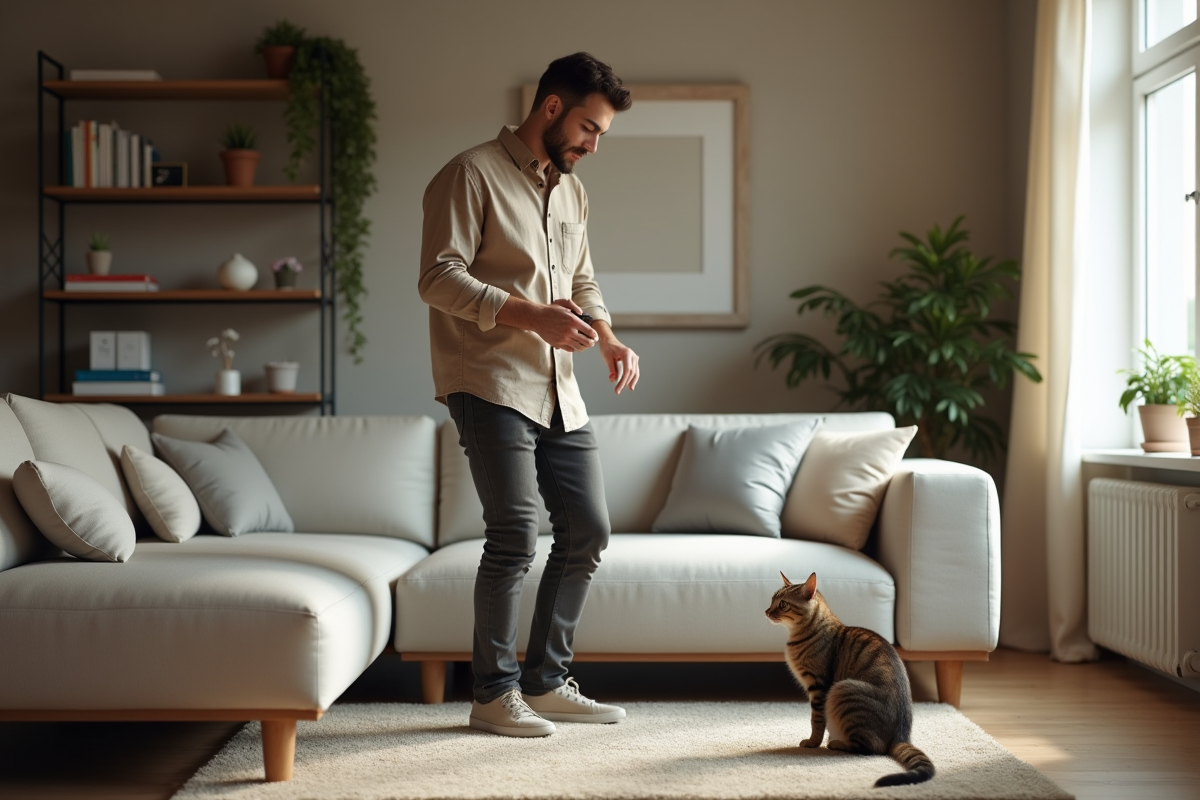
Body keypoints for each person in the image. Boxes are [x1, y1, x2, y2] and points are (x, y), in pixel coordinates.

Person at [417, 52, 641, 738]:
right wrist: (530, 316)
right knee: (514, 534)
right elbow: (437, 277)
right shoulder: (469, 174)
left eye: (601, 133)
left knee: (588, 530)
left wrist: (608, 338)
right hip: (489, 382)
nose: (594, 145)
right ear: (551, 108)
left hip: (559, 388)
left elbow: (582, 280)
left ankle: (545, 682)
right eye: (589, 128)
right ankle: (493, 694)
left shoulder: (571, 191)